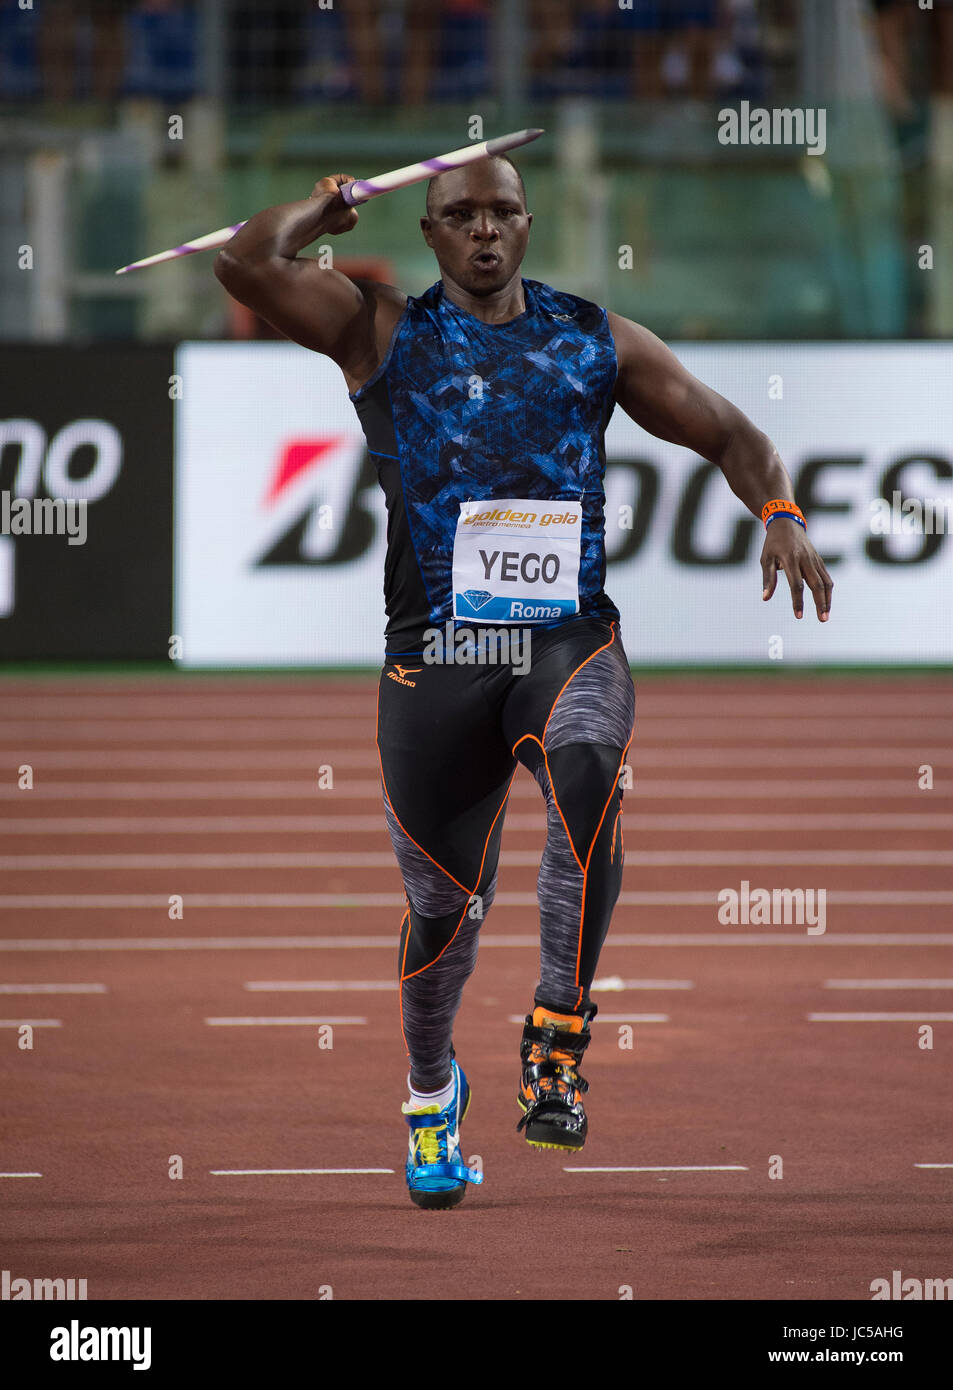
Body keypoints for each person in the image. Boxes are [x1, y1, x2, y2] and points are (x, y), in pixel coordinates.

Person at [213, 153, 833, 1210]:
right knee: (441, 915)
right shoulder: (378, 332)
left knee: (588, 771)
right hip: (437, 660)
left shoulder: (590, 341)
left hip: (563, 641)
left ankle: (555, 1038)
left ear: (529, 224)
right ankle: (427, 1091)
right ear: (429, 234)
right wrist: (320, 210)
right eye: (461, 216)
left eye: (503, 213)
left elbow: (730, 432)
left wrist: (776, 512)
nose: (484, 232)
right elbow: (244, 263)